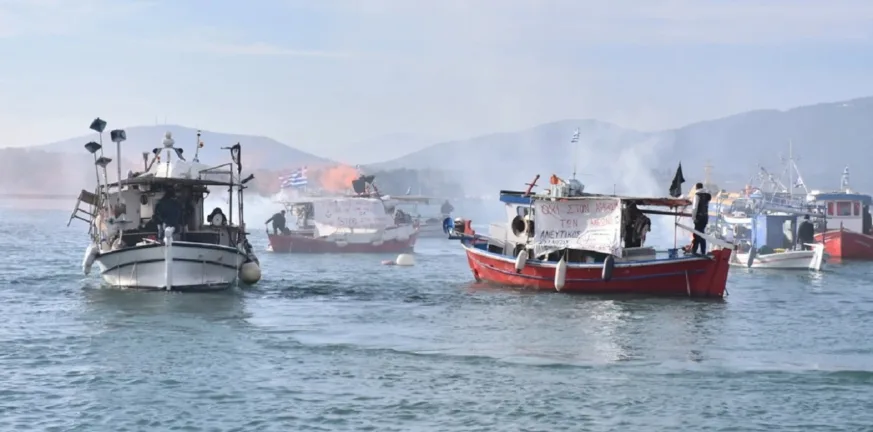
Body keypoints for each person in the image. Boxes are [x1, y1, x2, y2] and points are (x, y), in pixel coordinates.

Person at [690, 182, 712, 255]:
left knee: (697, 234)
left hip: (699, 218)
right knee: (702, 233)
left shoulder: (697, 195)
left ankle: (694, 251)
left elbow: (695, 207)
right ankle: (703, 251)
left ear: (696, 188)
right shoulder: (707, 195)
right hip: (705, 218)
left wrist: (693, 217)